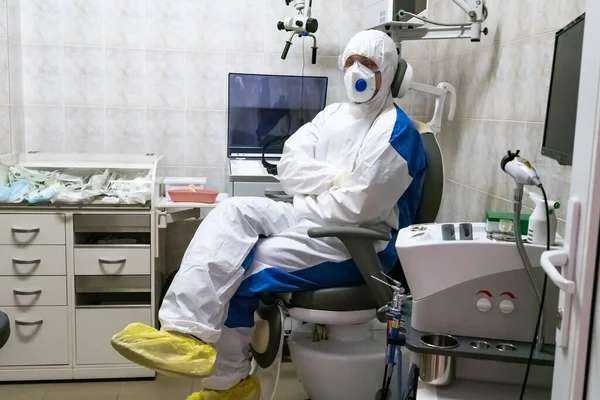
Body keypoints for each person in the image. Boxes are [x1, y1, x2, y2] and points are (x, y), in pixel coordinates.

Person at [111, 30, 428, 400]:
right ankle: (185, 333)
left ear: (391, 72)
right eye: (351, 62)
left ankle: (228, 385)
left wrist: (312, 192)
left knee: (241, 269)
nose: (357, 71)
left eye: (369, 64)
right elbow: (289, 166)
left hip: (356, 243)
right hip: (312, 219)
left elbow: (357, 207)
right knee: (231, 210)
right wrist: (336, 180)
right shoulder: (334, 114)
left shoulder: (396, 132)